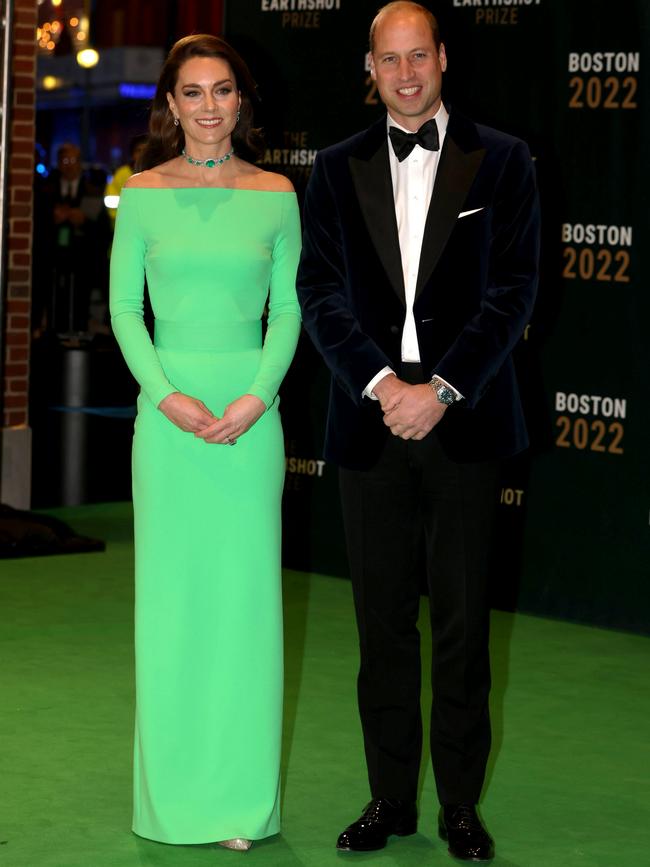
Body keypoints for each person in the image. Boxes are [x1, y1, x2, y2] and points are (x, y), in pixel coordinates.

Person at [296, 2, 540, 861]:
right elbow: (319, 292)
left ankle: (461, 806)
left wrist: (438, 387)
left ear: (443, 57)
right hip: (369, 426)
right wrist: (379, 384)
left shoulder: (502, 160)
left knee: (465, 627)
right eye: (388, 60)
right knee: (381, 625)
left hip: (464, 422)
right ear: (369, 66)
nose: (405, 74)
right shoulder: (332, 168)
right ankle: (390, 798)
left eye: (418, 57)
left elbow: (513, 292)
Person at [109, 34, 301, 850]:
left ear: (241, 102)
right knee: (175, 612)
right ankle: (174, 799)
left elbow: (288, 309)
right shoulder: (142, 194)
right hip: (169, 429)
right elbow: (123, 310)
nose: (209, 107)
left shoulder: (279, 193)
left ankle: (237, 805)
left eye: (223, 91)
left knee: (245, 613)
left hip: (251, 430)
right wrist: (166, 395)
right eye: (193, 93)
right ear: (171, 105)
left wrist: (258, 396)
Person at [33, 142, 109, 334]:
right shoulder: (46, 189)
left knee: (79, 308)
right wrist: (52, 217)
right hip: (52, 261)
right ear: (58, 163)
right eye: (64, 160)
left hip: (82, 261)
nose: (69, 165)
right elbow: (35, 223)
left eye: (73, 160)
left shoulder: (93, 190)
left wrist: (83, 221)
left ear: (80, 163)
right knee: (53, 304)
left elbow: (104, 230)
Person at [104, 134, 148, 227]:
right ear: (132, 154)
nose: (142, 155)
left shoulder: (159, 174)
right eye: (138, 150)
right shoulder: (121, 174)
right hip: (122, 226)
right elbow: (111, 202)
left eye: (146, 150)